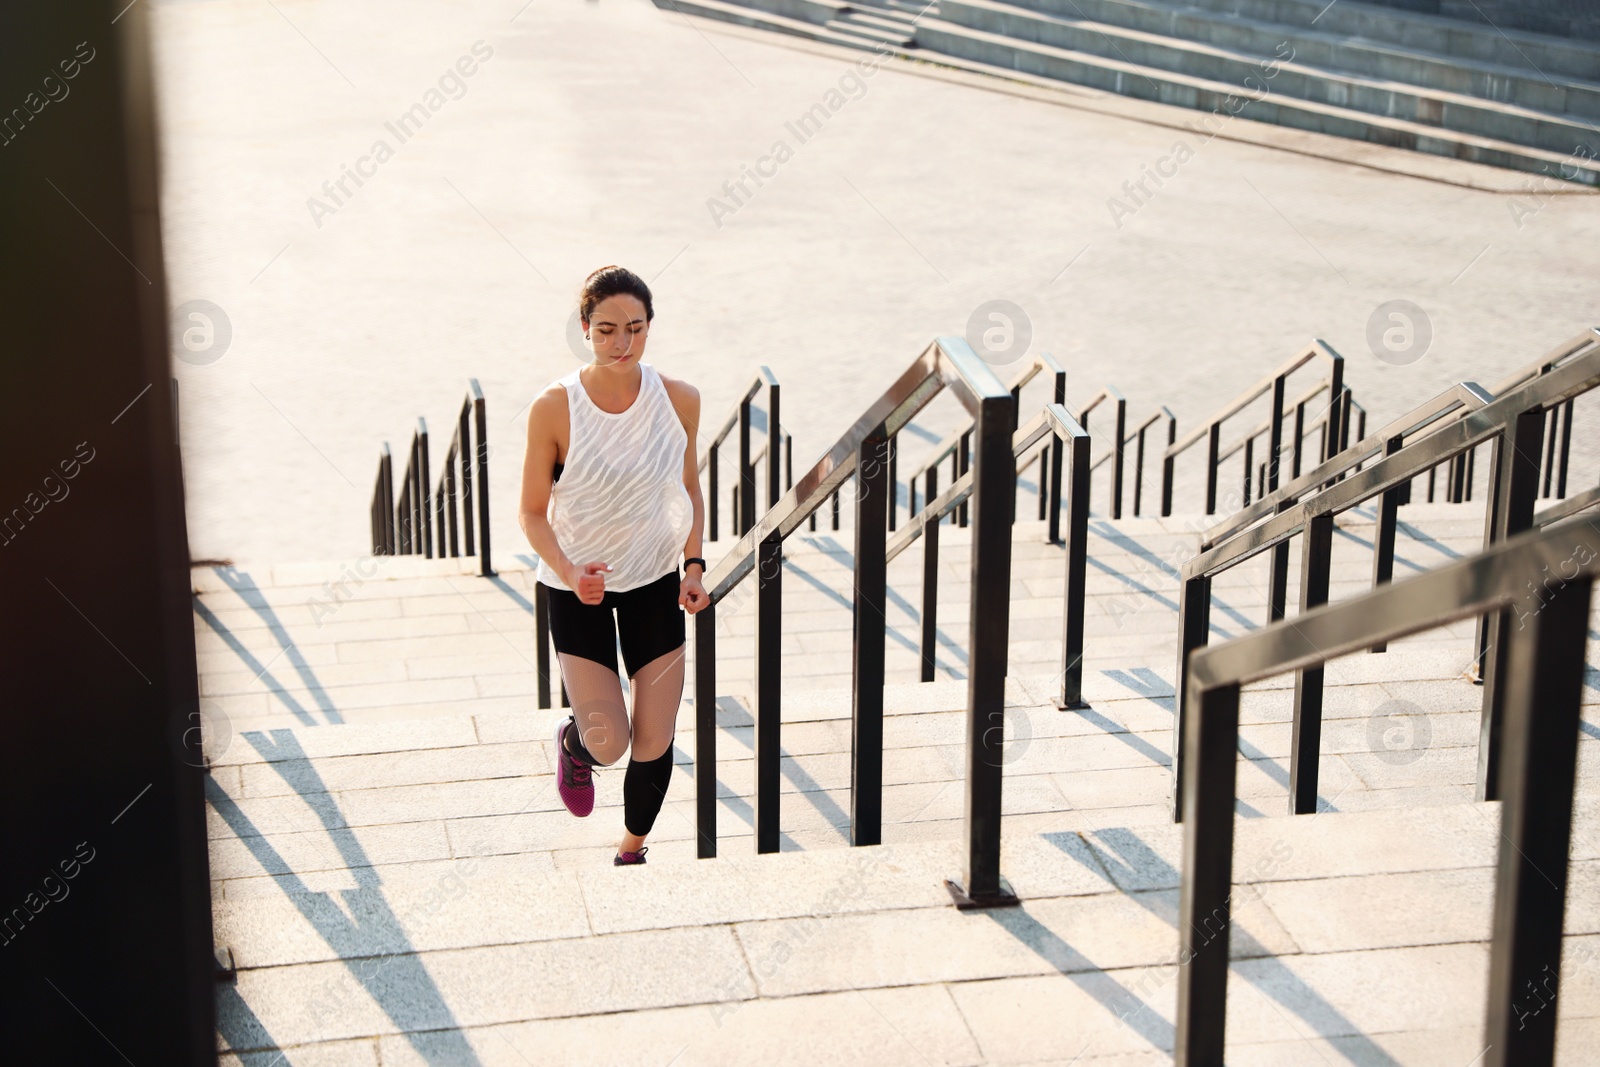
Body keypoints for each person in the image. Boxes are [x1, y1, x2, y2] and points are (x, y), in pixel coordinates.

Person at [518, 265, 709, 867]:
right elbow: (530, 514)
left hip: (654, 579)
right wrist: (571, 571)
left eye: (634, 328)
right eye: (605, 331)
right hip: (579, 588)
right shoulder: (554, 407)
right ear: (584, 331)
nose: (621, 344)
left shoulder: (679, 400)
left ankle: (632, 851)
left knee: (656, 734)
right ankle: (576, 745)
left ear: (650, 327)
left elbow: (689, 490)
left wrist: (694, 566)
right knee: (611, 740)